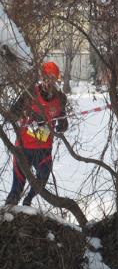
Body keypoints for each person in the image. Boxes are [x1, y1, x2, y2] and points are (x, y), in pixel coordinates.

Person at [5, 61, 68, 206]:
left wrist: (62, 126)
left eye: (53, 78)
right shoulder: (31, 92)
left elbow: (63, 121)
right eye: (46, 76)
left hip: (44, 149)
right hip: (24, 147)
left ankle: (28, 202)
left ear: (56, 79)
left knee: (43, 176)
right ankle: (7, 214)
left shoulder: (60, 98)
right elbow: (13, 114)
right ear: (42, 76)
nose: (49, 81)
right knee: (17, 186)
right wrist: (28, 115)